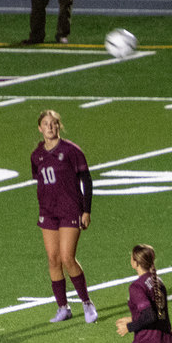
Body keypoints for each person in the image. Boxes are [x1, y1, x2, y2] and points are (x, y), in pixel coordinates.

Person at [31, 110, 97, 324]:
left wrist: (86, 210)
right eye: (46, 123)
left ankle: (87, 303)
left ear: (59, 126)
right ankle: (63, 307)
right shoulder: (36, 155)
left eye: (54, 123)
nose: (50, 127)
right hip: (48, 211)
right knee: (53, 259)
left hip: (70, 209)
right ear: (40, 128)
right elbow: (40, 182)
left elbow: (86, 179)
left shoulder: (71, 151)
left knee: (67, 257)